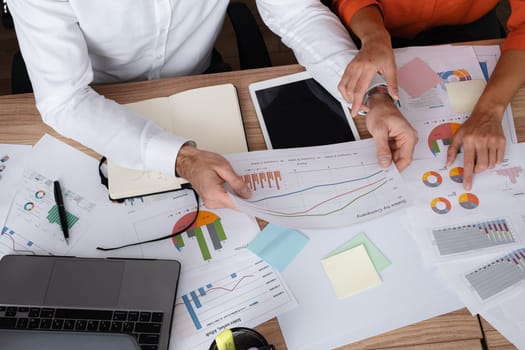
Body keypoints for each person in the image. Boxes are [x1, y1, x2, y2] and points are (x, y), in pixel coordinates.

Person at [7, 0, 251, 209]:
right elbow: (64, 99)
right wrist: (183, 160)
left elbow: (291, 16)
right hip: (96, 102)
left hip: (198, 80)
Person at [257, 0, 525, 189]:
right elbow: (295, 13)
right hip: (367, 23)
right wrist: (374, 83)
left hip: (469, 27)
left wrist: (490, 111)